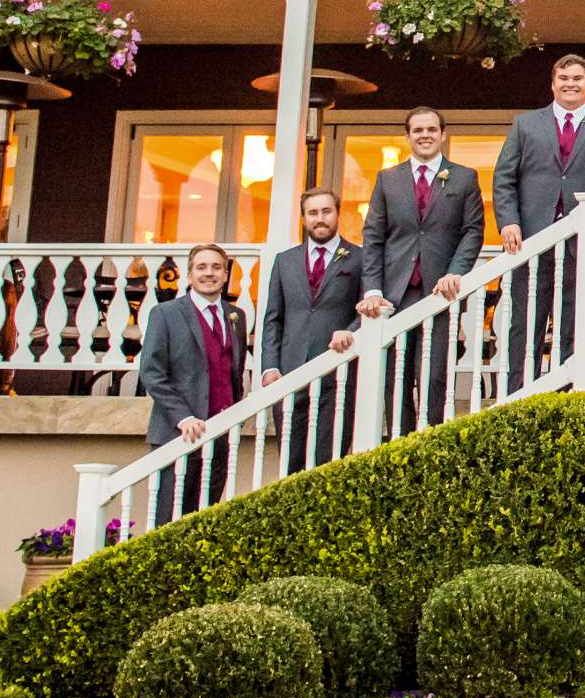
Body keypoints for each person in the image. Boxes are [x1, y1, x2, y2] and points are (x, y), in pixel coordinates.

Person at [493, 56, 585, 388]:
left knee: (576, 322)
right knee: (525, 322)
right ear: (553, 83)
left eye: (576, 78)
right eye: (563, 78)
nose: (570, 84)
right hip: (531, 238)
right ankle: (520, 396)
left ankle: (565, 395)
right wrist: (509, 222)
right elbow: (504, 179)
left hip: (584, 244)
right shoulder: (526, 125)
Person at [359, 106, 484, 433]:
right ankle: (399, 443)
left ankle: (432, 443)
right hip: (394, 295)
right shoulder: (388, 180)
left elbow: (473, 230)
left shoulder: (464, 177)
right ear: (408, 137)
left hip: (439, 293)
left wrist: (455, 271)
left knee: (434, 376)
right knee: (394, 377)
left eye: (431, 129)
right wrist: (373, 289)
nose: (425, 135)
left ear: (442, 134)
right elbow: (373, 236)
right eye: (418, 130)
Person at [138, 242, 247, 521]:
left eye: (216, 267)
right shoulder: (165, 314)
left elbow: (233, 372)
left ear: (225, 275)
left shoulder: (237, 317)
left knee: (204, 521)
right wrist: (183, 417)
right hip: (178, 434)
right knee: (168, 521)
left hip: (219, 437)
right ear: (189, 275)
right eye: (201, 267)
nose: (208, 273)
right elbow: (152, 373)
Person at [259, 186, 363, 470]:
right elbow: (273, 318)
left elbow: (366, 308)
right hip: (289, 375)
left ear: (338, 214)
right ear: (304, 218)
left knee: (328, 463)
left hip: (336, 375)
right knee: (290, 463)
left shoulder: (359, 258)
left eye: (326, 211)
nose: (320, 218)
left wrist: (352, 331)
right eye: (313, 213)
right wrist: (269, 367)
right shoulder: (285, 261)